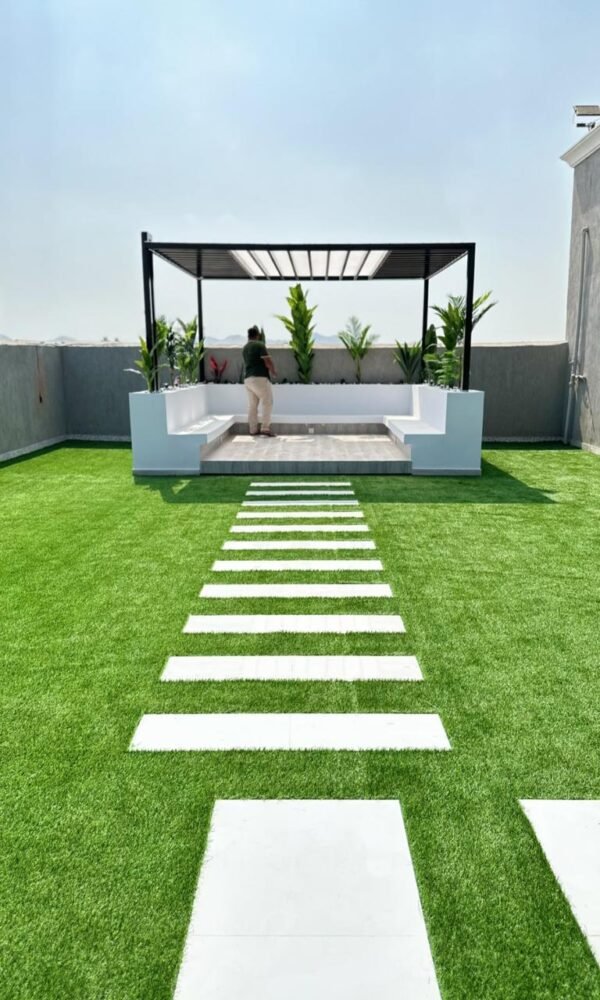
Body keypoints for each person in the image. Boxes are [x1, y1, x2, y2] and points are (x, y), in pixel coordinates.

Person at [242, 326, 277, 436]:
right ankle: (265, 428)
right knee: (267, 402)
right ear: (257, 335)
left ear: (248, 335)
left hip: (248, 379)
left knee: (252, 405)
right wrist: (273, 371)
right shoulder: (259, 345)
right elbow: (267, 361)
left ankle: (253, 429)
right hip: (260, 378)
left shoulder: (245, 348)